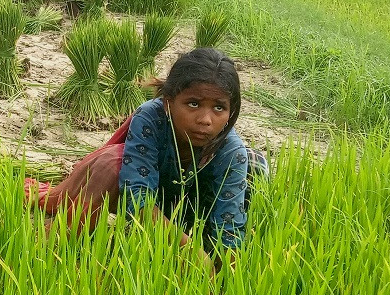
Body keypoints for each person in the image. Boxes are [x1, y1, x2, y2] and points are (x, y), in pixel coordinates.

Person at [25, 48, 268, 267]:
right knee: (112, 165)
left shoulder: (230, 150)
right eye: (193, 104)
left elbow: (228, 226)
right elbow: (137, 195)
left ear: (231, 111)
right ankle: (59, 243)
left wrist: (226, 275)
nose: (206, 120)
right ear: (168, 102)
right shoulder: (151, 119)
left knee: (254, 167)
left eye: (219, 108)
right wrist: (187, 248)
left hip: (193, 208)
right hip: (153, 198)